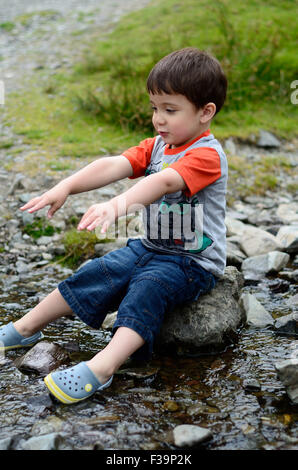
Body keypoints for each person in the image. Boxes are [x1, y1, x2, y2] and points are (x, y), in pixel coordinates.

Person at [0, 47, 228, 404]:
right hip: (151, 247)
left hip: (192, 262)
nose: (159, 119)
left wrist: (117, 205)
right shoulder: (157, 146)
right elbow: (113, 164)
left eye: (171, 110)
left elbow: (165, 183)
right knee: (99, 271)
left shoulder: (206, 155)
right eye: (155, 108)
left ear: (205, 112)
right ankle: (24, 328)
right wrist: (67, 186)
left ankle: (102, 367)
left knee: (147, 288)